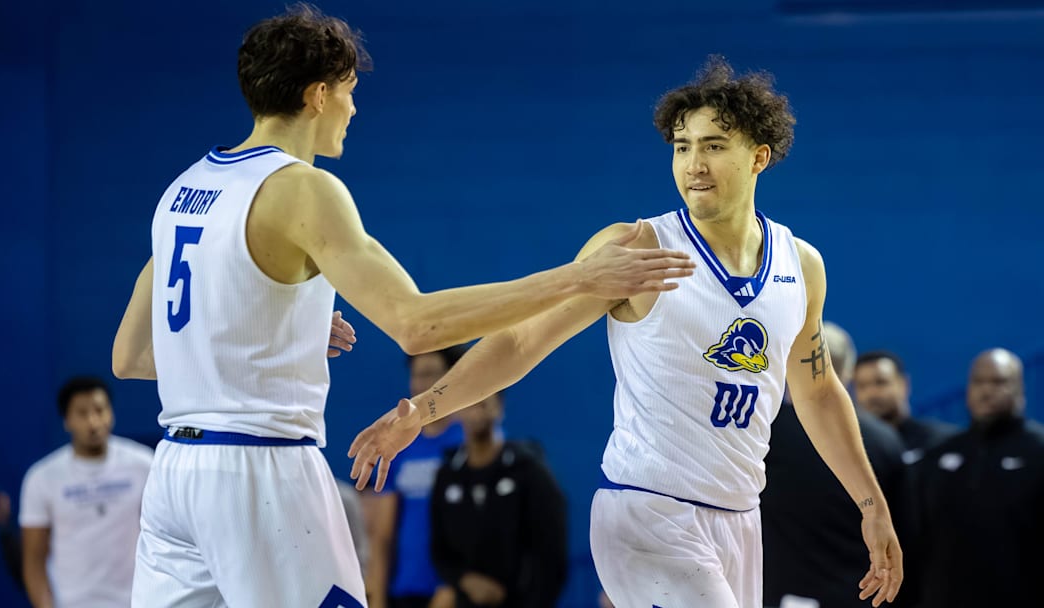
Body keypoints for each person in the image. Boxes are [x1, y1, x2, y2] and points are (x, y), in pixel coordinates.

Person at [110, 6, 692, 607]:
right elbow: (419, 325)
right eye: (349, 92)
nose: (353, 109)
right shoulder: (303, 189)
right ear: (317, 95)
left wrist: (284, 339)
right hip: (260, 473)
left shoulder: (183, 191)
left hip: (174, 477)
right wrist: (578, 277)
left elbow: (131, 356)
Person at [350, 56, 903, 608]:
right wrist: (424, 410)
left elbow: (818, 389)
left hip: (739, 520)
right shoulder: (638, 247)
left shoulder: (800, 264)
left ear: (759, 156)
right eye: (682, 147)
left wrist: (872, 508)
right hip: (647, 511)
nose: (693, 164)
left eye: (713, 145)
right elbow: (522, 342)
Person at [762, 323, 910, 608]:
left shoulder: (766, 429)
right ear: (850, 370)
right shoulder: (887, 439)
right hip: (864, 594)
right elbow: (903, 528)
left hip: (783, 592)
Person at [913, 348, 1044, 608]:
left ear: (1019, 388)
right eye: (979, 381)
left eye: (998, 382)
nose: (986, 391)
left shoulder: (1039, 451)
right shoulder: (940, 455)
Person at [19, 377, 153, 608]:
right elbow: (34, 559)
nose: (93, 422)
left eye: (100, 410)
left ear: (111, 413)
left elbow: (163, 540)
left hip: (135, 601)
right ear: (66, 420)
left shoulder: (144, 465)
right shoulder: (42, 478)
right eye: (82, 413)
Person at [430, 392, 568, 608]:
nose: (476, 412)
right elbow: (439, 550)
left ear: (499, 408)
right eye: (469, 404)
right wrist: (464, 580)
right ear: (457, 410)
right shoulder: (447, 476)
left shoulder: (528, 471)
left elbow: (551, 553)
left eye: (484, 403)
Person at [365, 347, 466, 608]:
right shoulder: (399, 446)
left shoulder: (468, 440)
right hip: (404, 589)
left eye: (431, 374)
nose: (423, 384)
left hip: (454, 591)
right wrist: (377, 596)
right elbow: (382, 534)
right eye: (417, 375)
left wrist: (452, 587)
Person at [853, 351, 957, 464]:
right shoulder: (852, 449)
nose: (871, 394)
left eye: (881, 383)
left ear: (904, 384)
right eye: (862, 386)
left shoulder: (939, 441)